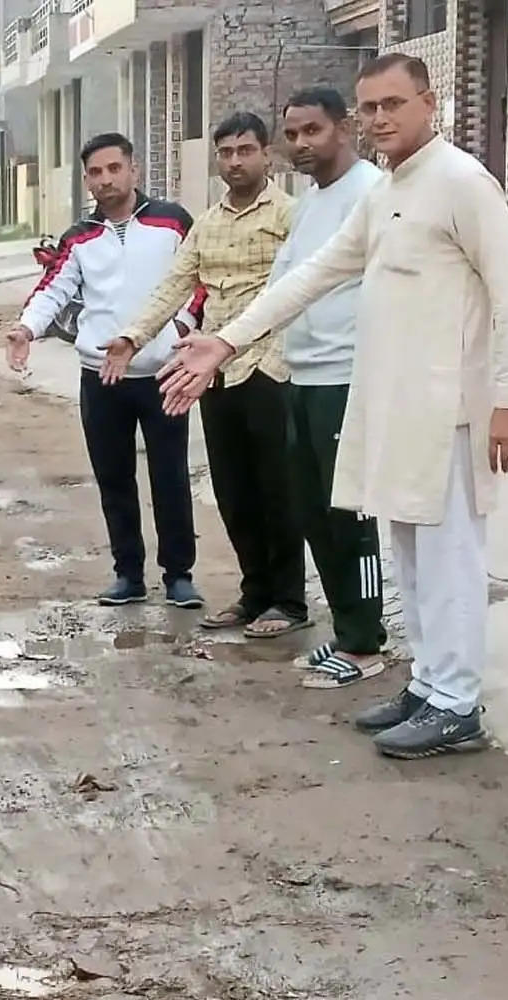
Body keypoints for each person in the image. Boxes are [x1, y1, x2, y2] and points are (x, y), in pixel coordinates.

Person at [156, 54, 508, 759]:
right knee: (413, 552)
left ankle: (457, 705)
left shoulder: (461, 182)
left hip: (452, 408)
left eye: (394, 104)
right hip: (395, 403)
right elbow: (314, 274)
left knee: (451, 556)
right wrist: (227, 342)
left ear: (430, 103)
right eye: (369, 108)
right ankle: (428, 682)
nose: (380, 119)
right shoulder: (388, 191)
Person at [105, 111, 308, 640]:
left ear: (266, 154)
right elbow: (172, 286)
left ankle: (288, 601)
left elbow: (305, 287)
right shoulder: (208, 224)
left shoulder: (291, 216)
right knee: (233, 490)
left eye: (245, 150)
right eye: (226, 152)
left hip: (272, 366)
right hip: (215, 371)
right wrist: (131, 337)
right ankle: (253, 593)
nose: (235, 161)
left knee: (277, 490)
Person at [7, 132, 205, 609]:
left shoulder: (172, 223)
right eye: (96, 172)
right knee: (114, 478)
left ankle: (179, 575)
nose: (106, 179)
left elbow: (200, 279)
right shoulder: (79, 237)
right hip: (101, 376)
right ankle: (128, 573)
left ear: (134, 170)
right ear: (87, 180)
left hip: (162, 373)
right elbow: (53, 288)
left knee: (170, 477)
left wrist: (182, 327)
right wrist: (26, 329)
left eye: (114, 168)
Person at [270, 88, 387, 689]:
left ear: (344, 128)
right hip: (304, 375)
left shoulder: (371, 193)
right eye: (291, 134)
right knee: (313, 510)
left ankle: (368, 641)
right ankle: (345, 632)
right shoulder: (311, 203)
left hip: (347, 376)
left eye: (312, 130)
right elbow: (288, 281)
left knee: (351, 518)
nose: (300, 144)